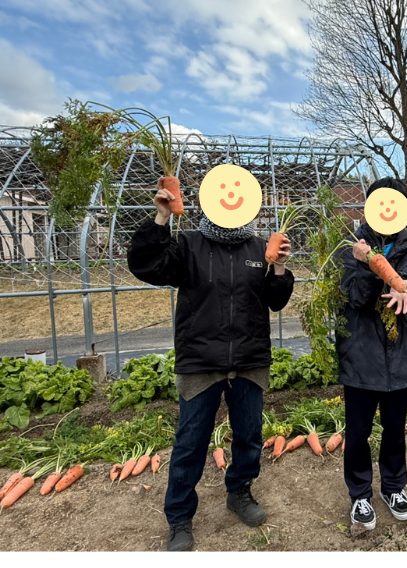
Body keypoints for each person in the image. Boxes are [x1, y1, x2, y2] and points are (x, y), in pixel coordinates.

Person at [127, 180, 294, 551]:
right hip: (200, 361)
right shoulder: (189, 245)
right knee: (191, 442)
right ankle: (179, 517)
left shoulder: (259, 248)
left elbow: (275, 301)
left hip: (249, 359)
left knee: (249, 435)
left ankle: (240, 492)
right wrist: (161, 217)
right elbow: (146, 265)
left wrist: (280, 269)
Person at [336, 177, 407, 530]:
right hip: (361, 353)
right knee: (358, 430)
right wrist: (373, 266)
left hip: (398, 354)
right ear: (369, 207)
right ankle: (360, 493)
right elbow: (355, 296)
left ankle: (394, 487)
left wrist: (405, 287)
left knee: (394, 428)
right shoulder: (350, 247)